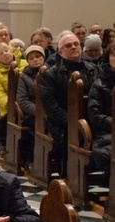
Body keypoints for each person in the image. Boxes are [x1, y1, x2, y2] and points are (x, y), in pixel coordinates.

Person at [40, 31, 97, 174]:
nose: (73, 47)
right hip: (61, 122)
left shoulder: (93, 69)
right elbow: (50, 105)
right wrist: (72, 123)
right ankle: (69, 175)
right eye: (68, 45)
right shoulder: (50, 74)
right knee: (70, 136)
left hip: (90, 119)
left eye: (76, 44)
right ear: (60, 52)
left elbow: (98, 97)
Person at [16, 45, 45, 168]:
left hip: (49, 112)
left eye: (38, 57)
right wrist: (39, 112)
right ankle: (30, 161)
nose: (35, 60)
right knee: (39, 127)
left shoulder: (49, 73)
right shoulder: (24, 77)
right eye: (31, 58)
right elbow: (22, 100)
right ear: (27, 61)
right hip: (31, 114)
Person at [88, 41, 115, 172]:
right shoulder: (99, 85)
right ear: (108, 58)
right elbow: (96, 115)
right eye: (114, 55)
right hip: (107, 134)